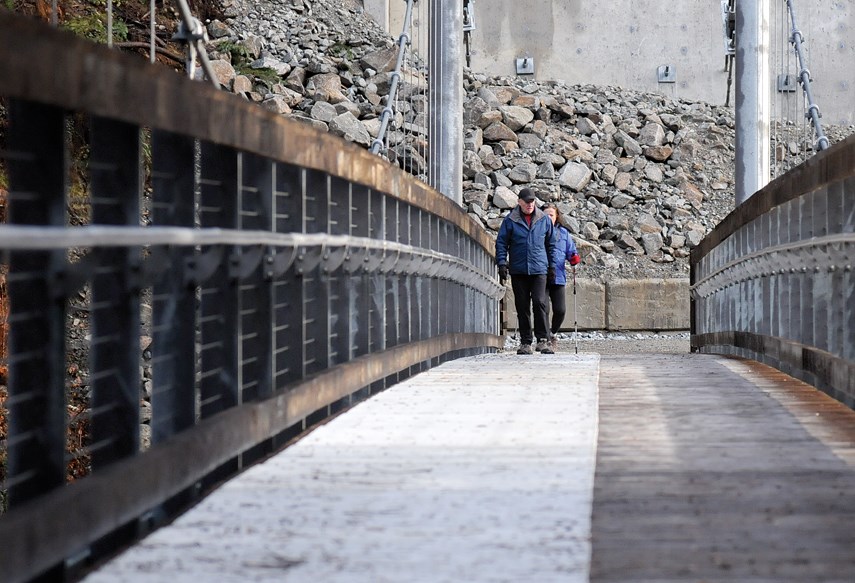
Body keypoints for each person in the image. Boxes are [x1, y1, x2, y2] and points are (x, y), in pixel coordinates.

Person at [495, 188, 556, 355]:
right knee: (522, 306)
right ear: (519, 202)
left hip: (539, 269)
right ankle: (525, 342)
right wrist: (501, 263)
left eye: (532, 202)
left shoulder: (544, 220)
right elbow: (501, 243)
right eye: (527, 202)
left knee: (539, 302)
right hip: (519, 270)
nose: (530, 205)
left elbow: (551, 245)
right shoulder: (510, 220)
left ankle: (543, 340)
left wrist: (552, 266)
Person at [543, 203, 581, 352]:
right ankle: (545, 339)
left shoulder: (564, 233)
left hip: (558, 275)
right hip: (540, 275)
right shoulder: (537, 231)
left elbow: (571, 251)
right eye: (545, 214)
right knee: (543, 308)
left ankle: (552, 333)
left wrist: (573, 258)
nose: (548, 217)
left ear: (556, 216)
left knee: (560, 310)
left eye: (551, 214)